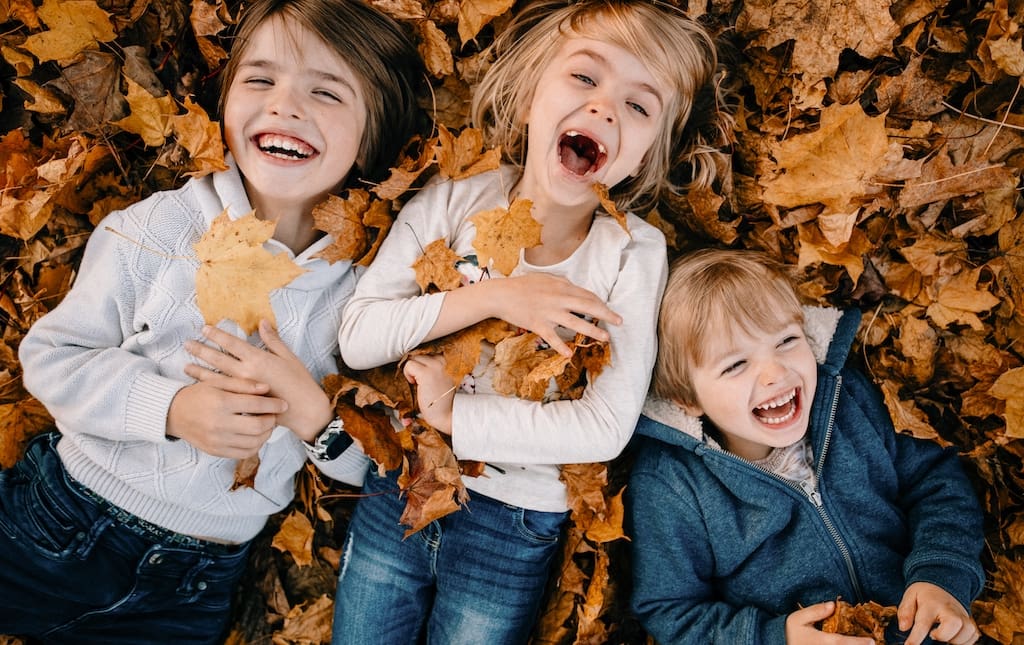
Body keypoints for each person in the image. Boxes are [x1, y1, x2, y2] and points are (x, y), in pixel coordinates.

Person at [1, 0, 423, 642]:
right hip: (60, 522)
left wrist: (314, 417)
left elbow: (383, 465)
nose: (284, 104)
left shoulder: (367, 293)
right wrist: (170, 408)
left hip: (194, 582)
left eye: (326, 91)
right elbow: (54, 359)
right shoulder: (155, 231)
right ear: (225, 104)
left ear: (374, 140)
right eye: (260, 79)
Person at [330, 1, 730, 642]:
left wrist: (456, 419)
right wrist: (497, 298)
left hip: (514, 518)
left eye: (638, 106)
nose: (603, 108)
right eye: (584, 78)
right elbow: (357, 338)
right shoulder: (453, 203)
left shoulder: (630, 253)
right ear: (526, 99)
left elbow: (603, 427)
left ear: (646, 156)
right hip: (408, 477)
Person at [626, 248, 986, 645]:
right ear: (687, 398)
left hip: (922, 627)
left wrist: (941, 576)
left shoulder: (846, 401)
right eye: (735, 365)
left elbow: (935, 481)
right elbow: (671, 610)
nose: (775, 372)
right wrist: (775, 638)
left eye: (786, 340)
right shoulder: (672, 484)